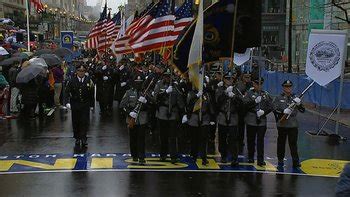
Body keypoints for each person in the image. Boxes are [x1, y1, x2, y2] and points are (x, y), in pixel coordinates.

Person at [153, 69, 185, 164]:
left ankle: (173, 156)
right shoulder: (159, 84)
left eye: (169, 76)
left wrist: (184, 113)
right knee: (163, 136)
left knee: (173, 137)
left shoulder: (175, 85)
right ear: (163, 76)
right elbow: (155, 97)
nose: (167, 78)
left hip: (173, 114)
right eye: (166, 76)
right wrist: (165, 92)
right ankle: (163, 155)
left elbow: (180, 100)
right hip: (162, 112)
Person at [273, 80, 304, 168]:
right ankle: (280, 159)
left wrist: (299, 104)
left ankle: (295, 161)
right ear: (283, 88)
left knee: (293, 143)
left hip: (292, 124)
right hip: (282, 124)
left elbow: (303, 110)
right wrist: (283, 111)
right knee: (281, 143)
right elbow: (274, 109)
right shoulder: (278, 97)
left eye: (289, 86)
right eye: (286, 87)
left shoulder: (295, 97)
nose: (288, 88)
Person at [120, 75, 150, 164]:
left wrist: (146, 102)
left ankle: (141, 156)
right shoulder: (129, 92)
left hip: (142, 118)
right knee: (133, 138)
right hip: (131, 118)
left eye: (140, 82)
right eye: (137, 82)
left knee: (141, 138)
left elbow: (152, 106)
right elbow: (122, 105)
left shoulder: (145, 93)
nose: (138, 84)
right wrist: (129, 112)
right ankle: (134, 155)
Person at [243, 77, 273, 166]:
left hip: (262, 120)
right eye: (257, 84)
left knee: (260, 141)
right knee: (251, 140)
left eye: (260, 84)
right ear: (253, 84)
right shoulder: (249, 93)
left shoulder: (266, 94)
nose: (259, 86)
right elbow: (245, 105)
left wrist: (264, 112)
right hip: (251, 119)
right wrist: (254, 101)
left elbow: (271, 106)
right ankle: (251, 157)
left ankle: (260, 159)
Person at [184, 82, 215, 165]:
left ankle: (204, 157)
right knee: (194, 139)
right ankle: (194, 155)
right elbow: (189, 105)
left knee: (204, 139)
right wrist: (196, 96)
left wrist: (212, 118)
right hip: (194, 118)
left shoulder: (207, 94)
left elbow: (210, 105)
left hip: (205, 118)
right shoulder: (191, 93)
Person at [215, 72, 242, 167]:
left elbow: (241, 103)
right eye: (227, 78)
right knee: (222, 137)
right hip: (223, 116)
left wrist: (234, 97)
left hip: (233, 117)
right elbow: (217, 102)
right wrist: (225, 93)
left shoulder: (236, 90)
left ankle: (234, 158)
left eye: (231, 79)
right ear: (224, 79)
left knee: (233, 139)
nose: (229, 80)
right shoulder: (220, 89)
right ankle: (223, 155)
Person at [65, 64, 95, 147]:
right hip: (75, 104)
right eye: (79, 71)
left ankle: (84, 138)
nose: (81, 73)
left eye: (83, 71)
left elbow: (92, 94)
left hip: (85, 104)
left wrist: (92, 105)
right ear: (76, 71)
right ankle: (77, 138)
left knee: (84, 121)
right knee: (76, 121)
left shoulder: (89, 80)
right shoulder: (72, 80)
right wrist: (67, 102)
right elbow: (67, 92)